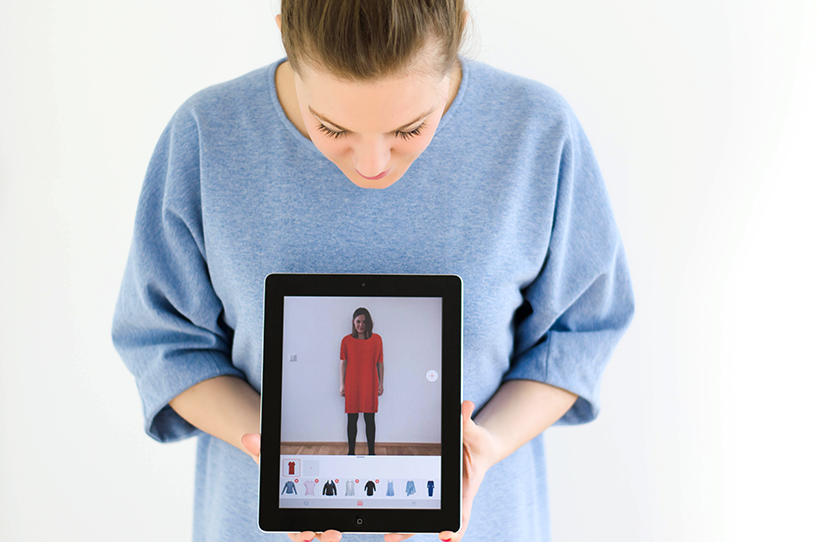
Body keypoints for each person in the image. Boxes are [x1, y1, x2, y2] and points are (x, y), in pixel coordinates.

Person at [110, 1, 635, 541]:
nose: (371, 166)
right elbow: (167, 341)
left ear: (459, 28)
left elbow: (577, 335)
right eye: (331, 127)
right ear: (285, 38)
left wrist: (488, 444)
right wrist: (278, 450)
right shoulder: (207, 135)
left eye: (409, 129)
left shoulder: (537, 132)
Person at [340, 308, 383, 456]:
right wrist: (342, 384)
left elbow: (380, 362)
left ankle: (372, 453)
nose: (361, 325)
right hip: (352, 383)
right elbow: (343, 362)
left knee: (370, 418)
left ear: (369, 323)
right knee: (352, 418)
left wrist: (381, 383)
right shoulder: (346, 341)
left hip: (370, 383)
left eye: (364, 322)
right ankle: (351, 452)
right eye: (358, 321)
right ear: (353, 322)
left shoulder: (377, 339)